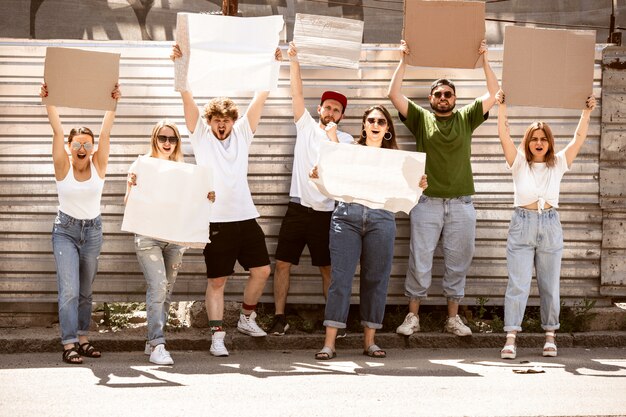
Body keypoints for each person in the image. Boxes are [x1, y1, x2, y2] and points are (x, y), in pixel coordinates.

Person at [171, 44, 280, 357]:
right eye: (216, 120)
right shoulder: (201, 136)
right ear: (210, 121)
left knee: (261, 270)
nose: (221, 125)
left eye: (226, 120)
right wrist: (180, 63)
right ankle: (217, 335)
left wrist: (272, 64)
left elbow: (262, 95)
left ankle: (247, 317)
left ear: (233, 121)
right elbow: (186, 95)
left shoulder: (243, 133)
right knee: (217, 280)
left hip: (245, 216)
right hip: (216, 220)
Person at [387, 40, 499, 337]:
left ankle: (453, 318)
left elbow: (494, 93)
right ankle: (413, 316)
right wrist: (404, 59)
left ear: (455, 98)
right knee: (419, 259)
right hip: (427, 203)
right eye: (438, 94)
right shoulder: (422, 119)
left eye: (448, 94)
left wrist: (485, 58)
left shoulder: (466, 117)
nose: (443, 97)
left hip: (462, 204)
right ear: (431, 98)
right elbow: (393, 94)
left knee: (457, 261)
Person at [313, 105, 428, 360]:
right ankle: (329, 344)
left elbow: (408, 194)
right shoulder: (349, 152)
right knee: (340, 280)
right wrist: (318, 176)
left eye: (381, 122)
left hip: (381, 219)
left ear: (387, 129)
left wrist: (418, 186)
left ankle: (370, 342)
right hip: (347, 217)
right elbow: (328, 179)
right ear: (364, 125)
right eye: (371, 120)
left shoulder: (397, 160)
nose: (376, 125)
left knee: (376, 280)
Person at [497, 91, 596, 359]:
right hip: (522, 224)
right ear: (527, 143)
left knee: (550, 284)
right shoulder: (518, 163)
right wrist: (502, 107)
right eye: (533, 139)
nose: (538, 143)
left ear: (549, 142)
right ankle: (510, 337)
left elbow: (578, 139)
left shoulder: (559, 163)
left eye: (543, 139)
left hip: (551, 225)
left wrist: (586, 112)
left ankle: (550, 336)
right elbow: (504, 135)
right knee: (518, 284)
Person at [268, 41, 354, 336]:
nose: (331, 112)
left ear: (341, 116)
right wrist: (293, 61)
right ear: (319, 108)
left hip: (326, 213)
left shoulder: (345, 139)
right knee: (282, 264)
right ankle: (280, 316)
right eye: (327, 107)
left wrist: (331, 136)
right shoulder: (305, 126)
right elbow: (296, 92)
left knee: (327, 268)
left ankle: (334, 323)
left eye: (336, 109)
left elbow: (343, 168)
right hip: (297, 207)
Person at [40, 82, 121, 364]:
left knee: (86, 290)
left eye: (87, 143)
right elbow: (58, 130)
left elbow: (106, 131)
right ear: (70, 148)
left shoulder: (99, 164)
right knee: (70, 289)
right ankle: (69, 342)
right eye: (78, 144)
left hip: (93, 231)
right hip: (65, 230)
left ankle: (83, 337)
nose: (83, 148)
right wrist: (49, 99)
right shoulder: (63, 165)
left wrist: (112, 103)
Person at [125, 120, 216, 365]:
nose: (167, 143)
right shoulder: (142, 164)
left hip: (175, 239)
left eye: (172, 139)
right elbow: (129, 204)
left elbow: (189, 207)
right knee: (158, 287)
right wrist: (132, 186)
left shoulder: (185, 170)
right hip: (148, 237)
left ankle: (152, 340)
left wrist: (205, 197)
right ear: (154, 139)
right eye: (162, 138)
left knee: (165, 291)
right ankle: (158, 344)